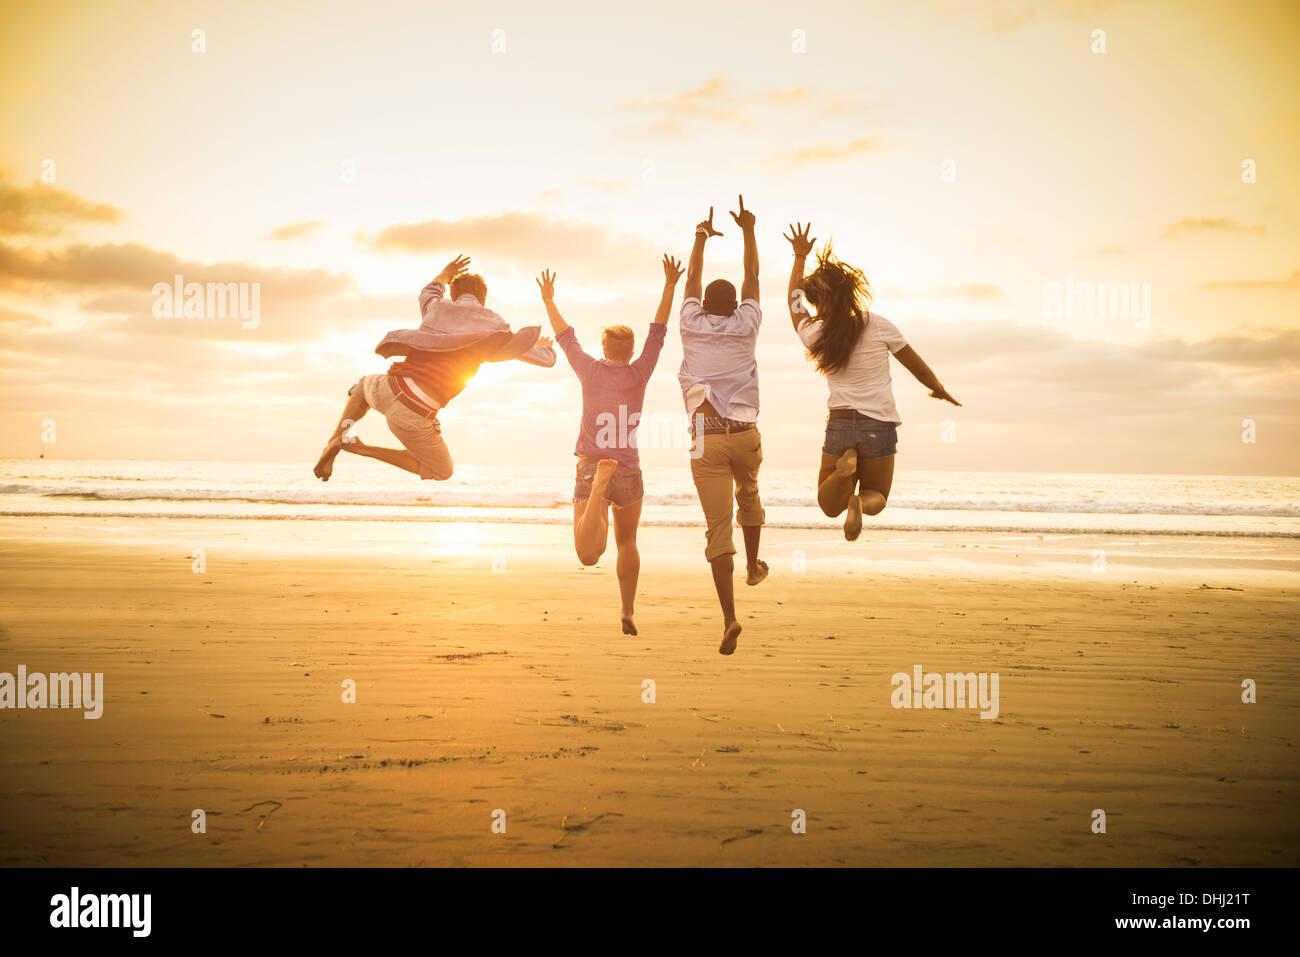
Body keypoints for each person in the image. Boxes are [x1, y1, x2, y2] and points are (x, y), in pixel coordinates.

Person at [783, 222, 960, 539]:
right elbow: (916, 366)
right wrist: (939, 389)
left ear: (818, 301)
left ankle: (843, 473)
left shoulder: (815, 333)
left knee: (828, 505)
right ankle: (858, 504)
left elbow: (793, 303)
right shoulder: (877, 325)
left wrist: (798, 257)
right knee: (877, 494)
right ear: (849, 293)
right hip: (877, 425)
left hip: (840, 421)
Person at [537, 256, 682, 636]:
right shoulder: (639, 371)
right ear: (631, 352)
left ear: (603, 347)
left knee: (588, 555)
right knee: (628, 541)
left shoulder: (589, 369)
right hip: (628, 470)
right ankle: (628, 609)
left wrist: (549, 299)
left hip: (591, 467)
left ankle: (600, 489)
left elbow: (565, 336)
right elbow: (659, 331)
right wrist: (669, 286)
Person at [313, 255, 555, 481]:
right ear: (483, 299)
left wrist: (445, 274)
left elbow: (428, 292)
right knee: (442, 471)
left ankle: (336, 437)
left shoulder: (436, 308)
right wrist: (544, 346)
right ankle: (359, 448)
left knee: (363, 385)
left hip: (389, 387)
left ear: (453, 293)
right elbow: (545, 360)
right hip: (414, 413)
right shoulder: (494, 327)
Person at [679, 196, 768, 657]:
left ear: (704, 306)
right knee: (748, 493)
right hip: (744, 435)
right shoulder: (747, 323)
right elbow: (753, 277)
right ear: (735, 306)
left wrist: (700, 237)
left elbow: (692, 281)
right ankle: (754, 565)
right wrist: (749, 230)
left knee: (718, 527)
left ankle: (730, 617)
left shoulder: (690, 324)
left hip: (706, 439)